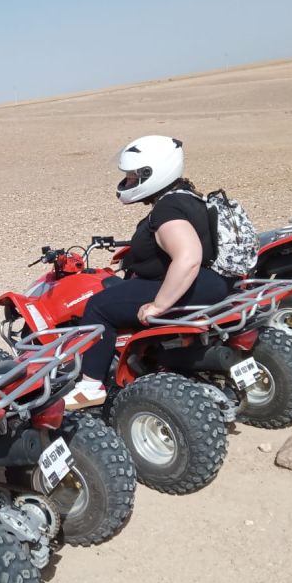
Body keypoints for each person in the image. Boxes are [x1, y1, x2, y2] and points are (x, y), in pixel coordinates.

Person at [65, 135, 233, 409]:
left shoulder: (168, 209)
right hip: (209, 283)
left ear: (154, 173)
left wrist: (159, 305)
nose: (128, 181)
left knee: (97, 307)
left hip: (190, 283)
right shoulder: (187, 197)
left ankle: (90, 385)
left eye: (134, 176)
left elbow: (188, 257)